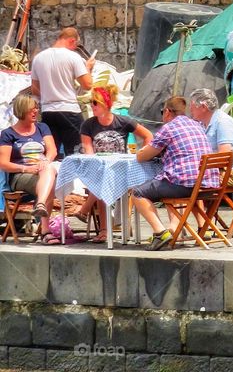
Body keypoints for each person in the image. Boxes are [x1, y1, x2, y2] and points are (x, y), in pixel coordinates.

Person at [131, 96, 219, 251]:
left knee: (138, 193)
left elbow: (142, 156)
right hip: (208, 184)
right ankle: (189, 229)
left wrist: (144, 151)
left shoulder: (169, 128)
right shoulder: (197, 125)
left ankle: (160, 233)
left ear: (167, 112)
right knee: (169, 178)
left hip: (186, 185)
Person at [77, 84, 153, 241]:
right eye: (91, 102)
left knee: (103, 177)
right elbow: (88, 152)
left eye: (95, 102)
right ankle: (103, 229)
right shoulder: (88, 125)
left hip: (122, 170)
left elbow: (148, 136)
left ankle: (92, 217)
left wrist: (142, 153)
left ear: (106, 104)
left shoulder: (123, 121)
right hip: (99, 168)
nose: (92, 105)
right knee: (102, 175)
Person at [0, 94, 60, 243]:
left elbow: (52, 151)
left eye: (36, 109)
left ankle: (40, 205)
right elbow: (3, 163)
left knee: (49, 170)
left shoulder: (42, 127)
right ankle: (46, 232)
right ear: (21, 111)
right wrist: (26, 169)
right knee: (50, 178)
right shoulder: (8, 134)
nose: (36, 112)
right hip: (20, 175)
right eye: (31, 110)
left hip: (43, 170)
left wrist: (44, 161)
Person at [30, 27, 95, 158]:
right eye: (76, 44)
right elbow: (87, 85)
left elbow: (34, 89)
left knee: (52, 154)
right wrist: (87, 68)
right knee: (77, 154)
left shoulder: (38, 58)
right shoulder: (73, 57)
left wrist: (50, 94)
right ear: (72, 41)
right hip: (69, 110)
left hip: (48, 111)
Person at [189, 88, 233, 186]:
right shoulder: (203, 124)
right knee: (181, 178)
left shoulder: (223, 122)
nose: (190, 109)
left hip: (230, 173)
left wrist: (197, 165)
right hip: (214, 170)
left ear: (203, 107)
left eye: (192, 105)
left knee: (184, 181)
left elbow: (224, 156)